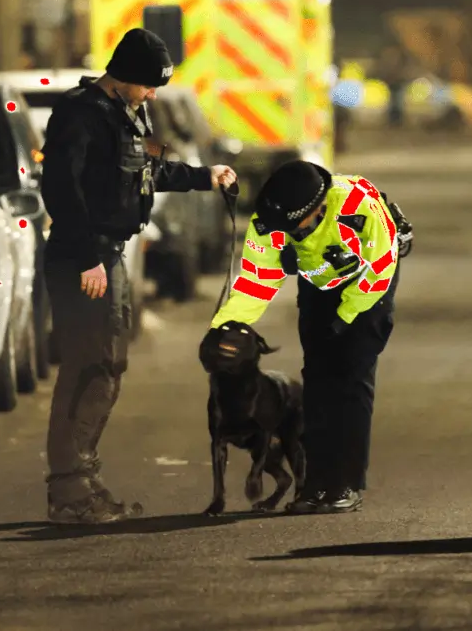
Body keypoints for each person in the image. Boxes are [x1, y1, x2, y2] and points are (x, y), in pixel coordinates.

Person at [41, 28, 238, 524]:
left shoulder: (127, 113)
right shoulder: (80, 113)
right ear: (124, 74)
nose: (153, 94)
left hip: (109, 255)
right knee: (89, 369)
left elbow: (145, 176)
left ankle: (83, 482)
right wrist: (88, 257)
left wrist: (203, 177)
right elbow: (63, 189)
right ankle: (69, 493)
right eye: (148, 85)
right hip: (82, 259)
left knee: (107, 368)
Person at [207, 159, 412, 514]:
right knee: (316, 380)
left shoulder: (357, 205)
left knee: (350, 375)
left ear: (318, 209)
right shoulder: (269, 223)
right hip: (320, 285)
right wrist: (222, 330)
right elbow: (255, 285)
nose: (287, 235)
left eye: (294, 228)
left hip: (368, 284)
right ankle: (316, 484)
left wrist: (344, 319)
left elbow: (380, 269)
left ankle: (346, 483)